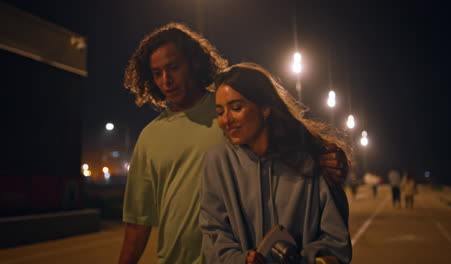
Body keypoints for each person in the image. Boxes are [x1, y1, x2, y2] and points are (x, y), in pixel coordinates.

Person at [118, 23, 349, 264]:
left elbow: (284, 134)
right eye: (157, 73)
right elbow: (137, 223)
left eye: (173, 68)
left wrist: (324, 154)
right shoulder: (150, 137)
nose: (166, 80)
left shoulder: (234, 113)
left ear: (193, 63)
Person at [199, 63, 352, 264]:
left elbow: (336, 242)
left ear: (264, 108)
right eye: (220, 112)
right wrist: (241, 260)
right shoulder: (217, 162)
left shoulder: (313, 161)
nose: (226, 120)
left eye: (236, 108)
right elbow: (213, 233)